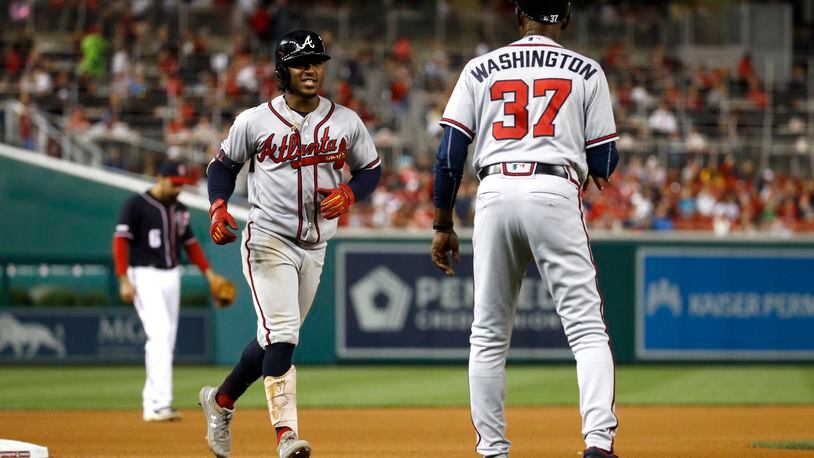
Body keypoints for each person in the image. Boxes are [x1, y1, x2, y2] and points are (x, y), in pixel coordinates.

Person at [430, 1, 620, 457]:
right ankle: (597, 443)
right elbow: (605, 162)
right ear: (566, 20)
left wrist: (442, 223)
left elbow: (449, 154)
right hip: (554, 187)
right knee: (587, 330)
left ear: (519, 19)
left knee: (488, 335)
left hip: (493, 192)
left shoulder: (480, 68)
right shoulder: (587, 70)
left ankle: (492, 450)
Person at [198, 30, 381, 458]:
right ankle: (286, 436)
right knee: (282, 335)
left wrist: (352, 193)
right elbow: (221, 166)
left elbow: (371, 170)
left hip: (315, 246)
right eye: (302, 63)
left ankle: (221, 401)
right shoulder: (255, 120)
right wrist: (218, 208)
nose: (312, 69)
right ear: (283, 71)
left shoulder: (346, 121)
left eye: (317, 61)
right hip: (267, 238)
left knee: (271, 340)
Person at [112, 160, 231, 422]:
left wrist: (209, 274)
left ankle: (152, 402)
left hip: (171, 276)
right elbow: (120, 241)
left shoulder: (180, 210)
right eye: (174, 183)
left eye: (181, 185)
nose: (178, 189)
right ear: (159, 178)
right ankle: (159, 403)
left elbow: (190, 244)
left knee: (167, 340)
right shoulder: (135, 205)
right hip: (143, 275)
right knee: (160, 335)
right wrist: (123, 278)